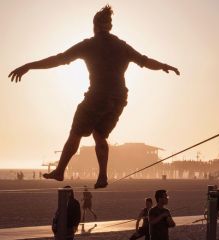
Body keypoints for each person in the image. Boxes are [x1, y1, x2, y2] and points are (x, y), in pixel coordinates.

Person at [8, 5, 180, 189]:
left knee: (75, 133)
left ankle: (60, 171)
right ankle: (102, 176)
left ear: (95, 26)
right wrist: (163, 65)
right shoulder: (122, 46)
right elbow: (145, 62)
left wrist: (28, 66)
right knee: (99, 135)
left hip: (97, 96)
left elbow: (58, 59)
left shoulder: (89, 45)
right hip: (119, 99)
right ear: (110, 26)